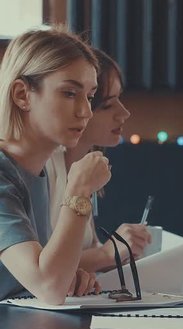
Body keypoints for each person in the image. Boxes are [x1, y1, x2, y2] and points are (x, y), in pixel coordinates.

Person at [0, 27, 111, 304]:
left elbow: (44, 276)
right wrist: (80, 190)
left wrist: (69, 273)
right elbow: (49, 286)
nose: (85, 112)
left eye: (89, 96)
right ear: (22, 95)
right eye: (69, 93)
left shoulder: (37, 170)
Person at [46, 48, 150, 273]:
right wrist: (107, 253)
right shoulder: (45, 166)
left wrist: (118, 254)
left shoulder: (87, 167)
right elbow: (40, 270)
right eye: (107, 104)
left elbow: (83, 251)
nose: (124, 113)